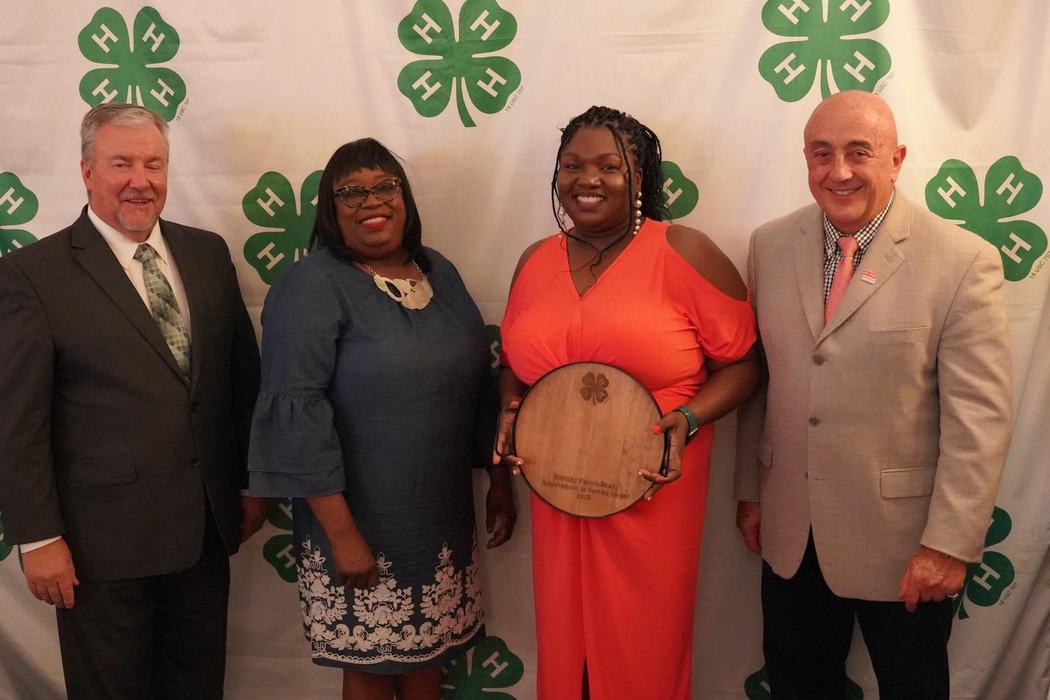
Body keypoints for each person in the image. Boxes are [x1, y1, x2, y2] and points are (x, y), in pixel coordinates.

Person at [734, 91, 1013, 699]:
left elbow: (980, 422)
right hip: (790, 532)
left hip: (906, 543)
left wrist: (948, 543)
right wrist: (752, 492)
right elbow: (762, 379)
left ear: (897, 159)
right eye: (821, 153)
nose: (839, 171)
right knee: (797, 684)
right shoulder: (769, 246)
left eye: (859, 152)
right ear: (805, 159)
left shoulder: (962, 261)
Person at [0, 103, 265, 699]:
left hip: (205, 531)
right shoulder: (31, 274)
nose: (140, 180)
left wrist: (250, 485)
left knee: (197, 687)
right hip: (99, 547)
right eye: (121, 163)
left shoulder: (208, 254)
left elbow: (239, 382)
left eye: (154, 164)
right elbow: (16, 420)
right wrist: (38, 537)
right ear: (87, 171)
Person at [496, 106, 759, 699]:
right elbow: (512, 364)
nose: (587, 179)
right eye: (572, 165)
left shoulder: (685, 251)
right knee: (567, 649)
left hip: (651, 484)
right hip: (556, 488)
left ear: (639, 177)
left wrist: (690, 418)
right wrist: (510, 408)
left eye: (608, 166)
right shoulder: (533, 260)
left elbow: (744, 363)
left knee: (645, 648)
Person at [248, 138, 515, 700]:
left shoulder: (438, 270)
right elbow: (297, 415)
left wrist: (499, 480)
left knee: (428, 660)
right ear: (330, 208)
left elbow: (474, 384)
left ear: (405, 196)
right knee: (370, 667)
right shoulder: (312, 285)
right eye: (351, 192)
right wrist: (342, 535)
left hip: (439, 520)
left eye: (385, 186)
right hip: (355, 519)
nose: (372, 200)